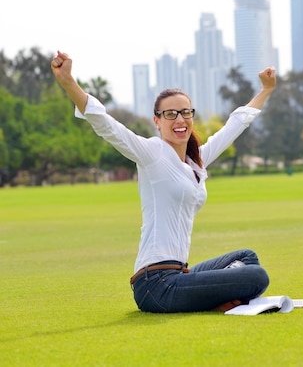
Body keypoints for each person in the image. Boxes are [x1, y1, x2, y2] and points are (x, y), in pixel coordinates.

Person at [51, 51, 276, 313]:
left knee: (247, 258)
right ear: (157, 121)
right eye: (170, 114)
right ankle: (218, 303)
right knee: (257, 277)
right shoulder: (152, 153)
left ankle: (217, 301)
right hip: (155, 285)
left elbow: (234, 126)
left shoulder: (196, 161)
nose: (180, 120)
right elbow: (107, 126)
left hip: (180, 273)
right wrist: (68, 81)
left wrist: (266, 89)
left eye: (185, 112)